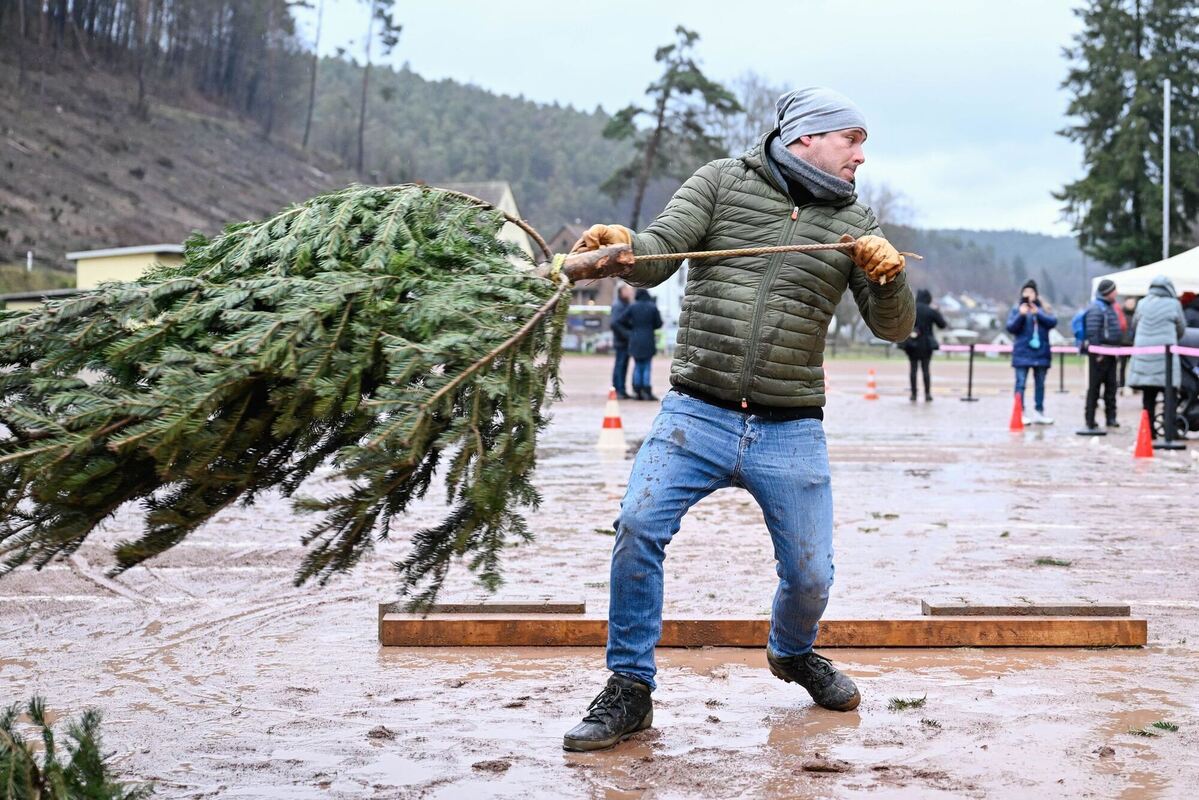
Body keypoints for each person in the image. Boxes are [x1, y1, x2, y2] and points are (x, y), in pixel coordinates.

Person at [563, 87, 914, 751]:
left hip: (791, 427)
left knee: (810, 575)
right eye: (853, 140)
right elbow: (662, 252)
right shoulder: (721, 181)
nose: (862, 156)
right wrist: (624, 245)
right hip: (695, 412)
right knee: (637, 526)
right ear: (807, 137)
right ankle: (629, 688)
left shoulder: (858, 219)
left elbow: (891, 329)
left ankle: (790, 652)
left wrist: (890, 279)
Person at [1126, 276, 1187, 428]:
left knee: (1148, 397)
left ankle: (1148, 431)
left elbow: (1134, 325)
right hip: (1166, 359)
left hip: (1144, 357)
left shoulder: (1142, 303)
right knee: (1170, 397)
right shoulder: (1174, 304)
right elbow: (1181, 328)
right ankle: (1169, 431)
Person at [1005, 279, 1057, 424]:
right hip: (1022, 353)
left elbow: (1052, 322)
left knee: (1040, 384)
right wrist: (1021, 315)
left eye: (1031, 292)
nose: (1028, 294)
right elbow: (1010, 328)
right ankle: (1019, 411)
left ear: (1036, 294)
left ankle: (1039, 412)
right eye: (1025, 292)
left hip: (1041, 353)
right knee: (1020, 383)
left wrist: (1038, 313)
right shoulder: (1017, 309)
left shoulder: (1043, 309)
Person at [1082, 279, 1122, 432]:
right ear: (1107, 292)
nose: (1116, 293)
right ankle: (1090, 419)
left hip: (1111, 353)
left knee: (1111, 387)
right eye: (1114, 290)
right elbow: (1092, 331)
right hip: (1099, 355)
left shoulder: (1110, 307)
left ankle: (1111, 418)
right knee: (1094, 388)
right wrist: (1097, 352)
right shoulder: (1096, 308)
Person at [614, 288, 663, 401]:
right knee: (646, 367)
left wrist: (629, 331)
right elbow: (659, 323)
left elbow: (619, 321)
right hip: (648, 339)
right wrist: (650, 327)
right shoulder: (652, 307)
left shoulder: (632, 307)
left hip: (635, 339)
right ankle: (646, 391)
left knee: (637, 366)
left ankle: (637, 392)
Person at [899, 289, 946, 402]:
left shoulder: (910, 309)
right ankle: (927, 394)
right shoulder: (930, 311)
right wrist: (937, 311)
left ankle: (914, 394)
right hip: (926, 344)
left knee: (913, 369)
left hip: (911, 343)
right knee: (926, 370)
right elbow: (942, 325)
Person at [610, 283, 635, 399]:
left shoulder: (625, 304)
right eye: (628, 290)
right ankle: (618, 389)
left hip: (624, 341)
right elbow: (614, 323)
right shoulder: (618, 305)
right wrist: (628, 335)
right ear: (621, 292)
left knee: (623, 365)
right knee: (620, 365)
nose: (630, 293)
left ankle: (622, 389)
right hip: (621, 341)